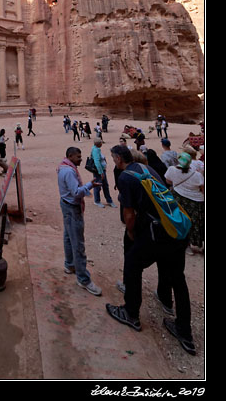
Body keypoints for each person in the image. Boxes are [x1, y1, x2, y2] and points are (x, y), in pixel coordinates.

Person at [106, 145, 196, 356]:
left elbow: (129, 214)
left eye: (113, 158)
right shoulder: (146, 168)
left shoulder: (125, 177)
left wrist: (131, 232)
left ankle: (131, 312)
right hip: (175, 230)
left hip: (157, 234)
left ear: (118, 159)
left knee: (132, 263)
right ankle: (184, 331)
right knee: (178, 279)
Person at [57, 146, 103, 295]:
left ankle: (69, 264)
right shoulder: (69, 171)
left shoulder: (63, 166)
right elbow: (76, 193)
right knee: (78, 243)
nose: (81, 159)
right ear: (70, 156)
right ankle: (83, 279)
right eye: (78, 157)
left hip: (66, 204)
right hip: (72, 207)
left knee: (68, 236)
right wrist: (90, 185)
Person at [165, 152, 204, 255]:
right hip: (196, 202)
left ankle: (187, 246)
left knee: (183, 222)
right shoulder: (197, 175)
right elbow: (202, 189)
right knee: (198, 224)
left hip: (179, 199)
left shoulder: (171, 170)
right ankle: (201, 245)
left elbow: (168, 181)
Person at [90, 138, 117, 208]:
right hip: (99, 172)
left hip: (101, 171)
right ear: (99, 144)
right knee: (98, 186)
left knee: (105, 185)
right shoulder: (96, 150)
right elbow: (97, 162)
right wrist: (101, 172)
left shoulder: (96, 149)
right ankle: (97, 201)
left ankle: (109, 200)